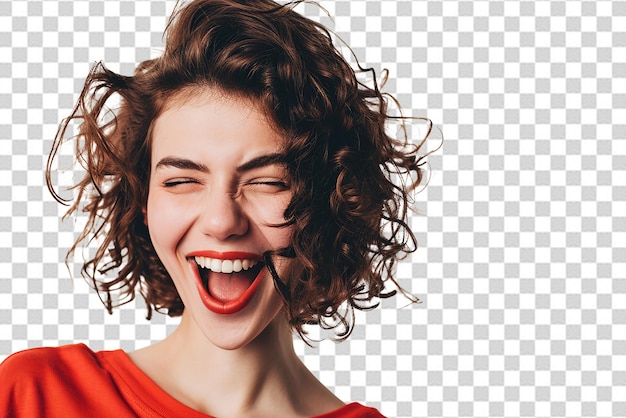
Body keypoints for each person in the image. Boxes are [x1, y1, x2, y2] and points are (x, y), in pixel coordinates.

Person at [0, 0, 432, 416]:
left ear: (326, 202)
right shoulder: (34, 395)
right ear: (145, 202)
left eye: (268, 183)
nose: (221, 222)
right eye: (182, 181)